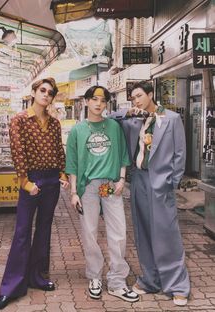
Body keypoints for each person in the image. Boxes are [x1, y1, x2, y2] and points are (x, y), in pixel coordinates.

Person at [109, 80, 190, 306]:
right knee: (143, 232)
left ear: (151, 94)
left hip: (161, 183)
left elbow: (180, 155)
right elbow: (110, 117)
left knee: (167, 234)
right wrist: (128, 111)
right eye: (133, 98)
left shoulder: (171, 119)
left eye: (139, 96)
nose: (136, 100)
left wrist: (170, 183)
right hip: (139, 182)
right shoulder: (134, 120)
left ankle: (177, 285)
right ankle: (150, 280)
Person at [0, 77, 69, 311]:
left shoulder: (54, 123)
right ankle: (11, 288)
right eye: (42, 90)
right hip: (31, 180)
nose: (46, 95)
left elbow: (58, 151)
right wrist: (25, 182)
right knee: (22, 231)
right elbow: (18, 152)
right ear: (34, 92)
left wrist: (63, 174)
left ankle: (38, 277)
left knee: (44, 229)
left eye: (50, 92)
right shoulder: (19, 120)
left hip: (52, 180)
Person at [65, 86, 139, 302]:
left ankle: (117, 281)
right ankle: (94, 277)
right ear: (87, 101)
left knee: (118, 233)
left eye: (103, 100)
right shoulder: (78, 130)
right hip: (87, 187)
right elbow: (71, 164)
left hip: (110, 185)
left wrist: (122, 179)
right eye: (95, 99)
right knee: (90, 233)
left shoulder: (114, 127)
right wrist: (73, 192)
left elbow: (123, 154)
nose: (99, 104)